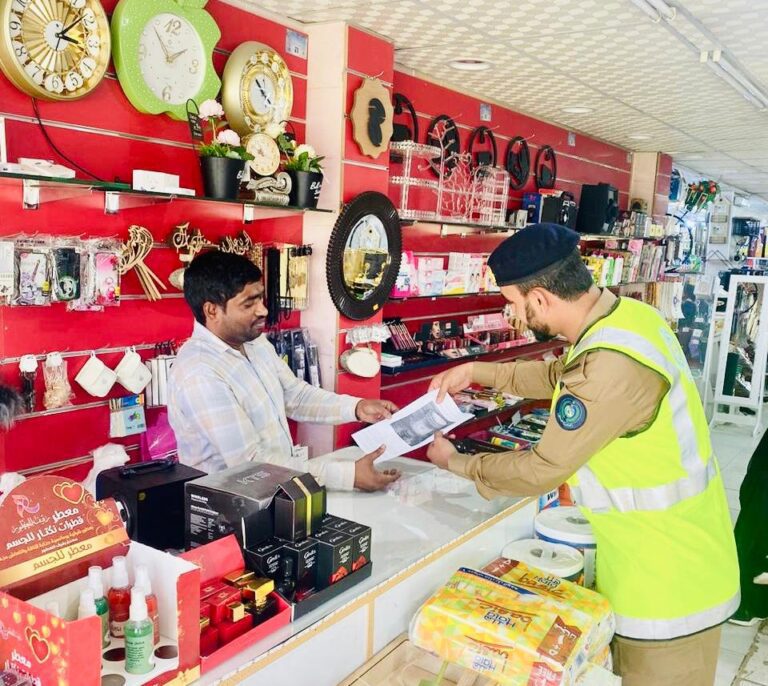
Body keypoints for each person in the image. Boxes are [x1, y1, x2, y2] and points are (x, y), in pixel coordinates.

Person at [426, 223, 740, 686]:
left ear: (539, 299)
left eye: (513, 303)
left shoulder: (609, 365)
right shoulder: (628, 320)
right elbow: (561, 375)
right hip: (664, 556)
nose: (512, 315)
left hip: (667, 585)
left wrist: (454, 462)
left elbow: (541, 469)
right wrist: (477, 370)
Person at [168, 250, 400, 492]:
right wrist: (346, 476)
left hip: (277, 493)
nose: (263, 311)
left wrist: (356, 407)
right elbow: (251, 464)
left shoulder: (254, 342)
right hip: (231, 505)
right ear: (212, 311)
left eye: (260, 299)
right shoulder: (200, 373)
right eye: (249, 304)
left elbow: (295, 396)